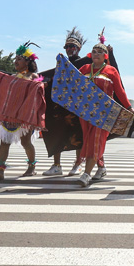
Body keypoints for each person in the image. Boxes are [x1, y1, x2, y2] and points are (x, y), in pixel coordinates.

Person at [77, 35, 132, 188]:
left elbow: (120, 92)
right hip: (86, 112)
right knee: (89, 140)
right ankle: (101, 168)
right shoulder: (84, 69)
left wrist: (129, 107)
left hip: (104, 113)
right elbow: (74, 86)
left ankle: (86, 174)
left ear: (105, 56)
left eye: (99, 52)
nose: (95, 54)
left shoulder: (111, 70)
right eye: (93, 51)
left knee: (96, 140)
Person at [0, 42, 42, 182]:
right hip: (9, 115)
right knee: (4, 142)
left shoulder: (33, 76)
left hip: (24, 116)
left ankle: (31, 167)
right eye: (15, 59)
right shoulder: (12, 77)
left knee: (26, 143)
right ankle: (0, 171)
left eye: (19, 59)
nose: (15, 61)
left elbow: (38, 91)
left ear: (28, 61)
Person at [43, 27, 89, 177]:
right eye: (67, 47)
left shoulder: (86, 62)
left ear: (79, 48)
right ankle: (57, 165)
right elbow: (45, 76)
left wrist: (110, 52)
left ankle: (78, 164)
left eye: (72, 46)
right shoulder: (61, 65)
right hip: (61, 107)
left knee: (78, 134)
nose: (69, 49)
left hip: (78, 106)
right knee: (56, 132)